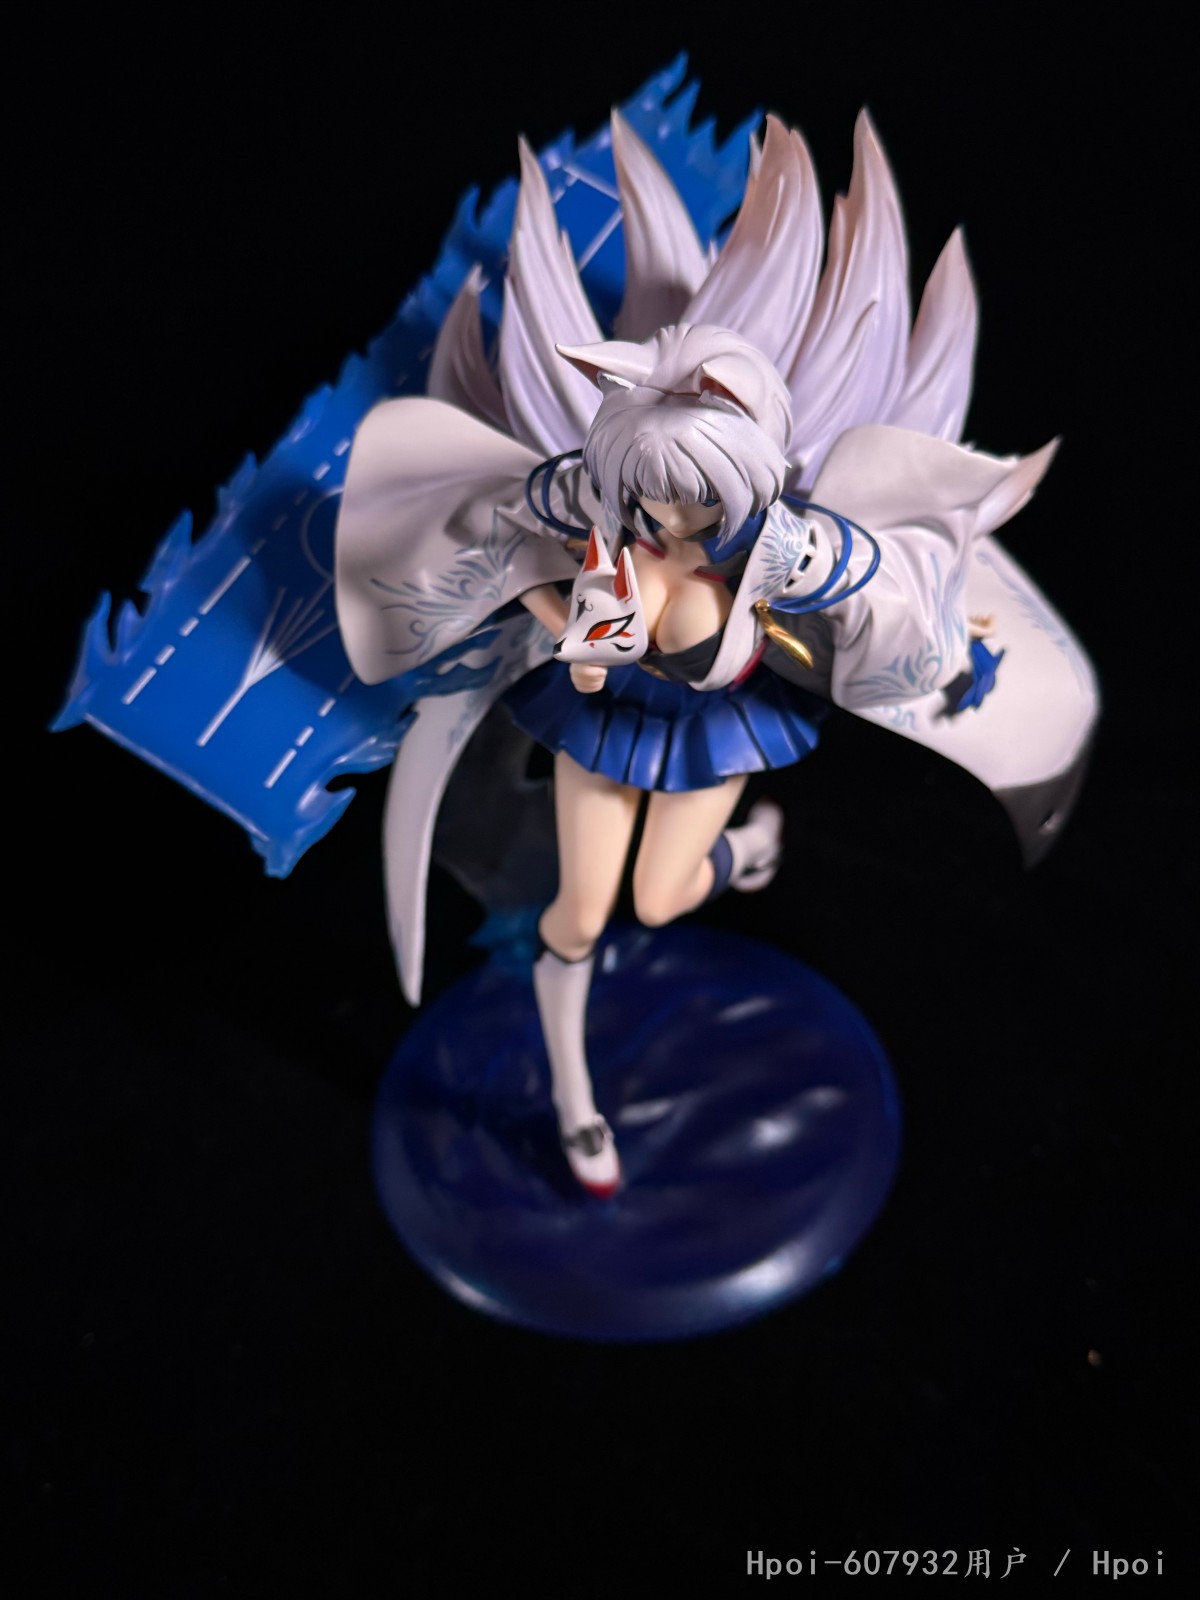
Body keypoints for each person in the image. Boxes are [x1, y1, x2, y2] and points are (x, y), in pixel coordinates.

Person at [334, 112, 1096, 1198]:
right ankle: (576, 1101)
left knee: (658, 899)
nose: (664, 522)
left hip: (719, 732)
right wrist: (570, 625)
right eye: (650, 500)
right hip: (607, 728)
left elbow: (886, 592)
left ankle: (746, 852)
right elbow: (556, 614)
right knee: (578, 916)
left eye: (688, 504)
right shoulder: (601, 528)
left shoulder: (796, 550)